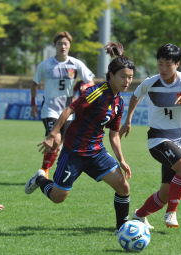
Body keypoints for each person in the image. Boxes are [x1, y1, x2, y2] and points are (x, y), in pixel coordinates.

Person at [25, 42, 134, 231]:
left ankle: (121, 228)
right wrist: (53, 134)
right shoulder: (96, 93)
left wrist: (121, 160)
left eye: (130, 77)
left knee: (123, 188)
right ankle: (40, 179)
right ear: (111, 76)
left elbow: (114, 134)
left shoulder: (119, 102)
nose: (127, 81)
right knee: (58, 197)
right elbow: (69, 109)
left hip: (96, 153)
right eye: (123, 76)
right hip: (74, 152)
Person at [120, 43, 181, 229]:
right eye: (160, 64)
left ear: (177, 64)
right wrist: (128, 120)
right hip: (158, 140)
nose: (163, 69)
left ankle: (139, 215)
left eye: (168, 64)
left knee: (165, 193)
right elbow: (135, 96)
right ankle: (171, 213)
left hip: (180, 143)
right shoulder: (151, 82)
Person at [30, 31, 95, 178]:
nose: (62, 46)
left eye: (65, 43)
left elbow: (91, 81)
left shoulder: (76, 64)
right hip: (50, 109)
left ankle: (46, 170)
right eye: (59, 43)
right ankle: (44, 171)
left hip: (68, 110)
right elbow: (34, 84)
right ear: (55, 45)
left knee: (60, 145)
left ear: (70, 46)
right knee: (55, 139)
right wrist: (33, 104)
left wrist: (87, 86)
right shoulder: (46, 65)